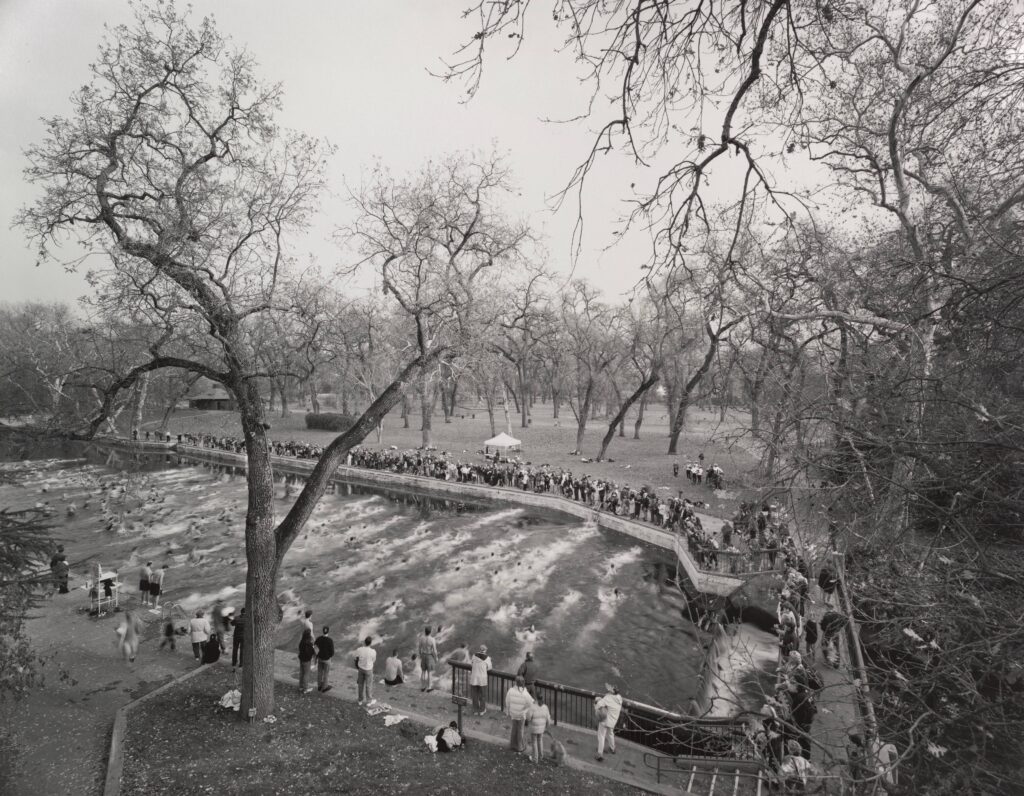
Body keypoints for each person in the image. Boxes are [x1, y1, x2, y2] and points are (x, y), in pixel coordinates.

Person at [505, 675, 534, 754]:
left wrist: (508, 711)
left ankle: (513, 744)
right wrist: (526, 710)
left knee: (514, 728)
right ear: (523, 683)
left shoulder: (510, 691)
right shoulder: (525, 693)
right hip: (521, 715)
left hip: (513, 713)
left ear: (516, 682)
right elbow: (531, 703)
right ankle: (520, 747)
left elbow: (507, 701)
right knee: (520, 730)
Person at [594, 684, 623, 762]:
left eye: (610, 689)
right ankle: (612, 748)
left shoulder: (608, 698)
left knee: (601, 736)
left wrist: (597, 700)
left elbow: (598, 705)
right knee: (610, 734)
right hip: (613, 721)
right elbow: (611, 704)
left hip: (605, 721)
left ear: (611, 692)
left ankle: (600, 754)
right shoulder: (619, 698)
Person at [527, 693, 551, 764]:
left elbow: (528, 717)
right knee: (540, 740)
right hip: (542, 728)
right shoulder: (545, 707)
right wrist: (546, 726)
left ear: (536, 698)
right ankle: (541, 756)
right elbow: (548, 719)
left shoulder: (533, 707)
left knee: (534, 742)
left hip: (534, 727)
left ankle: (535, 758)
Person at [470, 644, 492, 715]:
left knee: (475, 695)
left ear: (480, 649)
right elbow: (489, 668)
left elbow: (471, 663)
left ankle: (475, 710)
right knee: (482, 695)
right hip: (482, 679)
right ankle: (482, 710)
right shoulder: (487, 658)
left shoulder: (474, 655)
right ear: (485, 650)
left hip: (474, 678)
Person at [355, 635, 377, 705]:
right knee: (368, 685)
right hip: (369, 669)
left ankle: (360, 700)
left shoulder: (359, 649)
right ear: (370, 643)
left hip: (361, 669)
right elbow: (373, 660)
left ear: (364, 642)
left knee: (360, 685)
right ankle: (369, 701)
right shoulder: (373, 651)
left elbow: (356, 658)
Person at [418, 626, 438, 692]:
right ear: (430, 632)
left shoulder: (421, 638)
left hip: (423, 655)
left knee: (423, 672)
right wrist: (436, 657)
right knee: (429, 672)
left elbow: (419, 648)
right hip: (429, 656)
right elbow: (434, 650)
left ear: (425, 631)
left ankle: (423, 687)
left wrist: (420, 655)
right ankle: (429, 687)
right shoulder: (432, 639)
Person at [314, 626, 335, 692]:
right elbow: (332, 651)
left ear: (322, 631)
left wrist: (317, 656)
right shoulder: (330, 640)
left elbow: (315, 647)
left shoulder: (319, 638)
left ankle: (319, 686)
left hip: (320, 658)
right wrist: (329, 656)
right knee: (326, 673)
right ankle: (325, 687)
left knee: (320, 672)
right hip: (327, 659)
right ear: (328, 631)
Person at [297, 628, 316, 693]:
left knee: (302, 673)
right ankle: (305, 689)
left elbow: (300, 649)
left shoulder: (302, 641)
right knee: (306, 674)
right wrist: (313, 647)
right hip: (306, 661)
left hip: (301, 659)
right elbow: (311, 653)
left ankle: (300, 687)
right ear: (309, 635)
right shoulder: (309, 644)